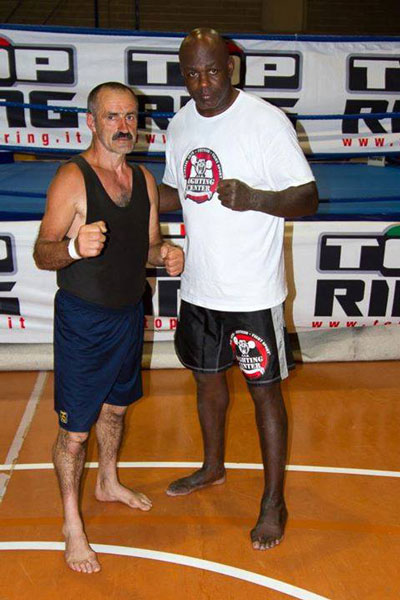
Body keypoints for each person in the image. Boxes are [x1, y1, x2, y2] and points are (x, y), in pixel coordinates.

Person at [159, 28, 318, 550]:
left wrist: (255, 198)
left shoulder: (265, 121)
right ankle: (212, 467)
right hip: (200, 286)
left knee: (264, 391)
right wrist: (121, 192)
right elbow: (175, 190)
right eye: (192, 74)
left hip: (252, 291)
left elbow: (307, 198)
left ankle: (273, 501)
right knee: (206, 383)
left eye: (212, 71)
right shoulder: (180, 124)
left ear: (231, 69)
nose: (203, 84)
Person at [33, 81, 184, 573]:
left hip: (128, 314)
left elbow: (146, 247)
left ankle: (108, 481)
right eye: (113, 116)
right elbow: (42, 252)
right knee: (75, 434)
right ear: (92, 122)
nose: (124, 126)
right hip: (83, 321)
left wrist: (164, 255)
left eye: (131, 116)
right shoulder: (72, 178)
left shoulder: (143, 180)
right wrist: (74, 248)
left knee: (116, 410)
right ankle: (71, 524)